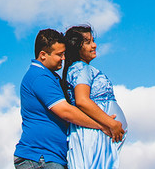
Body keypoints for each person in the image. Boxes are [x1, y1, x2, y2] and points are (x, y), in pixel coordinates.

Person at [15, 28, 125, 169]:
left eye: (64, 54)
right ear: (43, 55)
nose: (63, 58)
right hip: (39, 157)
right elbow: (66, 111)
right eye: (59, 54)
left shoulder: (50, 77)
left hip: (49, 157)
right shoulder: (39, 77)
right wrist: (103, 125)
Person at [62, 25, 127, 169]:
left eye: (93, 40)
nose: (94, 45)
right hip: (93, 137)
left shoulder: (81, 68)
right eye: (88, 42)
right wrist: (111, 124)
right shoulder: (80, 67)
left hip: (96, 136)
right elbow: (82, 101)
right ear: (76, 47)